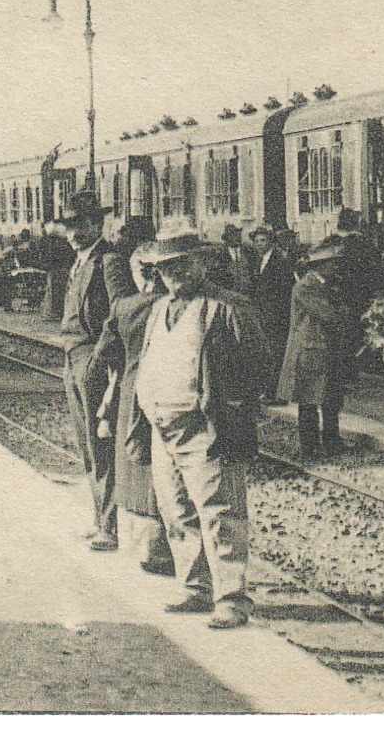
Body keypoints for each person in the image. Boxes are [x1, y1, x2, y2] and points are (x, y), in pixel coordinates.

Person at [132, 219, 267, 630]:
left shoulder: (227, 307)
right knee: (177, 510)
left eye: (182, 265)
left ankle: (231, 597)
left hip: (206, 426)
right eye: (167, 268)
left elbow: (258, 362)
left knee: (221, 510)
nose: (174, 275)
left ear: (201, 264)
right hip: (162, 424)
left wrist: (234, 408)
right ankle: (195, 586)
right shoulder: (158, 310)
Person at [89, 244, 175, 575]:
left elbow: (101, 357)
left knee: (138, 467)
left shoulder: (127, 308)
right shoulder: (183, 305)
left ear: (139, 274)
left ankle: (148, 548)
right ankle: (177, 549)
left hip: (134, 397)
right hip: (175, 395)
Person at [58, 190, 133, 552]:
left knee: (101, 442)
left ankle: (111, 525)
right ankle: (99, 516)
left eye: (80, 225)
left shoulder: (110, 262)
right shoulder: (80, 261)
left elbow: (120, 314)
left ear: (97, 224)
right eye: (69, 226)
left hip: (91, 362)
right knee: (86, 444)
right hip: (72, 358)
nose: (73, 233)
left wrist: (97, 362)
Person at [277, 242, 353, 459]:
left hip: (324, 349)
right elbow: (329, 314)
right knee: (309, 401)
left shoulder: (326, 284)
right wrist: (342, 312)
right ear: (321, 265)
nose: (337, 268)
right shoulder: (305, 286)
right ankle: (309, 448)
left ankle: (332, 442)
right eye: (333, 264)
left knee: (331, 399)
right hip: (309, 351)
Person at [249, 226, 295, 396]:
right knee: (265, 352)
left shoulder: (278, 262)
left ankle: (275, 391)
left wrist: (277, 314)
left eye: (263, 240)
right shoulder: (259, 260)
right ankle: (268, 388)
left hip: (275, 315)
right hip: (263, 314)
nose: (259, 244)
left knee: (275, 352)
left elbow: (284, 290)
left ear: (271, 242)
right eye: (257, 241)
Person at [37, 221, 77, 323]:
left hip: (55, 269)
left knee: (54, 291)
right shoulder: (64, 243)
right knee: (60, 291)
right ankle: (58, 312)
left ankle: (52, 313)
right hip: (62, 268)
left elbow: (46, 257)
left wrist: (47, 265)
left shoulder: (49, 243)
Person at [214, 224, 257, 295]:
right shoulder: (220, 255)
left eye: (238, 233)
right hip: (230, 295)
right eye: (232, 235)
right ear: (227, 239)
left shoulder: (249, 252)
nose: (237, 236)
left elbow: (254, 272)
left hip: (248, 294)